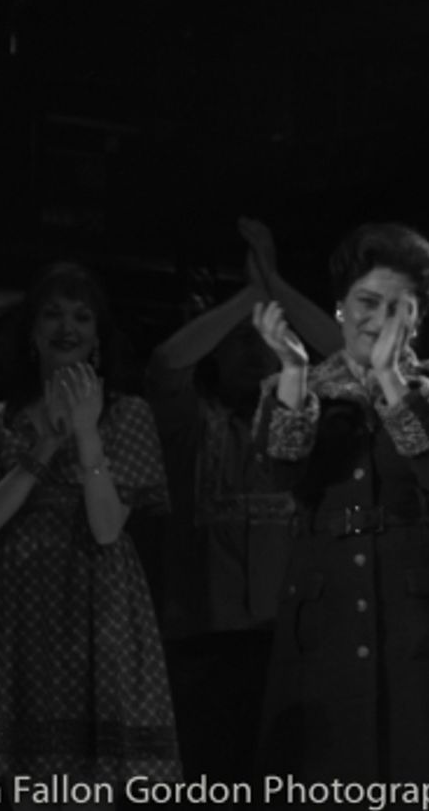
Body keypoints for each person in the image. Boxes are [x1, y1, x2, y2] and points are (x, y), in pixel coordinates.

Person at [250, 222, 429, 797]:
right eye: (366, 301)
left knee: (426, 770)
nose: (376, 317)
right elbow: (279, 471)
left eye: (396, 306)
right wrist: (294, 373)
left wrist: (389, 377)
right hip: (325, 614)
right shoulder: (303, 389)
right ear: (339, 307)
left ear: (417, 317)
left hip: (421, 622)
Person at [0, 262, 178, 807]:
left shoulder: (129, 416)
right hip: (21, 602)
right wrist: (47, 442)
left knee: (99, 777)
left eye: (81, 316)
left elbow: (106, 527)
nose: (66, 327)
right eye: (51, 315)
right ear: (31, 333)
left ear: (98, 337)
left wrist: (87, 431)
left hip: (101, 601)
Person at [144, 218, 341, 792]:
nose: (254, 353)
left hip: (287, 647)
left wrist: (275, 286)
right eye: (238, 341)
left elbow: (357, 357)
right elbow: (165, 365)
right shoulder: (192, 426)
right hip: (202, 646)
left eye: (264, 340)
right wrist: (249, 299)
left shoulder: (302, 419)